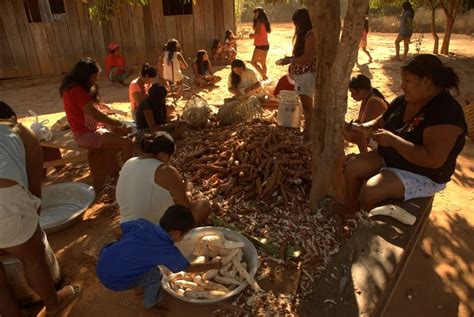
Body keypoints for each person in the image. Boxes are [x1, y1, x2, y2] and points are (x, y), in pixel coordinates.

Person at [342, 54, 467, 219]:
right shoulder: (404, 101)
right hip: (394, 158)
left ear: (427, 82)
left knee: (370, 191)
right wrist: (360, 128)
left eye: (408, 81)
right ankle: (350, 213)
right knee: (352, 167)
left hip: (423, 173)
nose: (402, 86)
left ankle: (364, 226)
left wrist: (394, 141)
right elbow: (380, 122)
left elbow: (432, 160)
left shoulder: (446, 112)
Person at [0, 120, 81, 317]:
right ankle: (53, 305)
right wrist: (31, 221)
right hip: (6, 202)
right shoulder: (19, 130)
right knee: (33, 258)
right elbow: (35, 187)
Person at [96, 205, 222, 308]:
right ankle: (150, 302)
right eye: (184, 235)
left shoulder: (142, 223)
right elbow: (188, 268)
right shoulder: (167, 250)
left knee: (138, 261)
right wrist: (213, 265)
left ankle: (137, 284)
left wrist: (126, 247)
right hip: (113, 281)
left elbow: (116, 230)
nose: (183, 238)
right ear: (176, 233)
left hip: (102, 261)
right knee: (156, 273)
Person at [116, 132, 212, 225]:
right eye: (170, 156)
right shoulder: (166, 170)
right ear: (163, 154)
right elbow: (185, 209)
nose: (170, 160)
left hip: (126, 226)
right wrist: (188, 191)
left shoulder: (128, 162)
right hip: (155, 231)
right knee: (203, 205)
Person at [60, 57, 134, 162]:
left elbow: (86, 108)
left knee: (119, 132)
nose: (96, 79)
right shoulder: (77, 90)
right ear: (85, 76)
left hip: (89, 130)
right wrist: (120, 123)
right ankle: (128, 174)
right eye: (94, 76)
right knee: (127, 143)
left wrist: (98, 105)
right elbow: (96, 115)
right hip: (85, 134)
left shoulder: (72, 87)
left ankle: (114, 169)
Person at [277, 8, 316, 141]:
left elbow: (307, 58)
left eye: (297, 24)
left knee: (307, 106)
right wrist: (290, 59)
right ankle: (308, 131)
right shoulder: (306, 35)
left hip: (307, 76)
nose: (296, 27)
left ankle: (309, 133)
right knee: (306, 105)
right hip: (302, 76)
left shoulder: (311, 34)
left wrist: (290, 60)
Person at [343, 75, 388, 153]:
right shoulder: (366, 98)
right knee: (345, 129)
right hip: (376, 136)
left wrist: (348, 125)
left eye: (353, 92)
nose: (351, 96)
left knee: (358, 134)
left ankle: (364, 156)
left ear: (362, 91)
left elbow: (364, 129)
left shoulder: (373, 102)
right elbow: (359, 122)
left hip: (385, 141)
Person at [250, 7, 271, 80]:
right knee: (263, 63)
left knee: (253, 62)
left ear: (259, 13)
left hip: (260, 46)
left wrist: (252, 35)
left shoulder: (259, 21)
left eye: (256, 12)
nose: (255, 14)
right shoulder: (264, 21)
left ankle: (264, 76)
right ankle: (264, 76)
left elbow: (257, 33)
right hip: (266, 45)